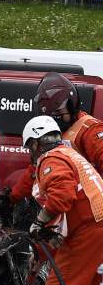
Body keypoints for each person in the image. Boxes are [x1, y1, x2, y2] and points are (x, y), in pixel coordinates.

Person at [21, 116, 103, 285]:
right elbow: (66, 216)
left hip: (90, 228)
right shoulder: (70, 154)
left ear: (35, 143)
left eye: (29, 148)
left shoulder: (52, 159)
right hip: (95, 225)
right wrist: (43, 252)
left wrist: (38, 222)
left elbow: (61, 196)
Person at [11, 73, 103, 202]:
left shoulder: (89, 130)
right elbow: (35, 169)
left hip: (90, 201)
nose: (58, 118)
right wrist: (12, 199)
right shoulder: (51, 133)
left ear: (72, 105)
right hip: (68, 201)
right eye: (52, 114)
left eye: (60, 112)